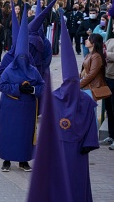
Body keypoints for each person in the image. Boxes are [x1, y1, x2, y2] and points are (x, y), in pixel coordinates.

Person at [48, 14, 99, 201]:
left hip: (75, 150)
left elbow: (91, 126)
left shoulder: (82, 101)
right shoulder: (55, 98)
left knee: (75, 182)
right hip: (65, 149)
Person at [0, 10, 44, 172]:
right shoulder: (9, 71)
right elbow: (2, 86)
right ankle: (6, 160)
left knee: (25, 135)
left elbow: (42, 86)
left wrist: (32, 89)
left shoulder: (33, 71)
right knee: (9, 133)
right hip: (10, 107)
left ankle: (24, 161)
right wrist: (18, 88)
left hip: (27, 108)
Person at [80, 33, 107, 120]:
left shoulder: (96, 56)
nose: (86, 40)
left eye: (88, 39)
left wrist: (79, 84)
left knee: (90, 115)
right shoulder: (89, 55)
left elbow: (92, 74)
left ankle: (93, 133)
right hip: (86, 87)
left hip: (90, 88)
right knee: (85, 114)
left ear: (94, 43)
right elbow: (84, 71)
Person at [103, 27, 114, 151]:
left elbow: (105, 53)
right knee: (109, 110)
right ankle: (111, 136)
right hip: (108, 77)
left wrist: (107, 54)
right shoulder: (110, 40)